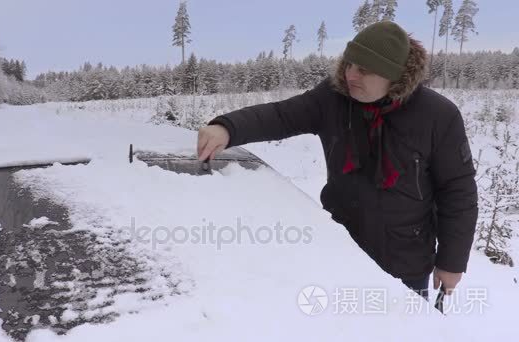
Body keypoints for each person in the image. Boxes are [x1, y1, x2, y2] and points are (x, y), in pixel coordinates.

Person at [196, 21, 478, 300]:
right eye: (349, 64)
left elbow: (457, 190)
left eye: (364, 70)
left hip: (405, 264)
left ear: (394, 76)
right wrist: (228, 128)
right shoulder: (333, 98)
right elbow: (281, 115)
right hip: (339, 253)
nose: (351, 75)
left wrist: (452, 261)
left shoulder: (438, 116)